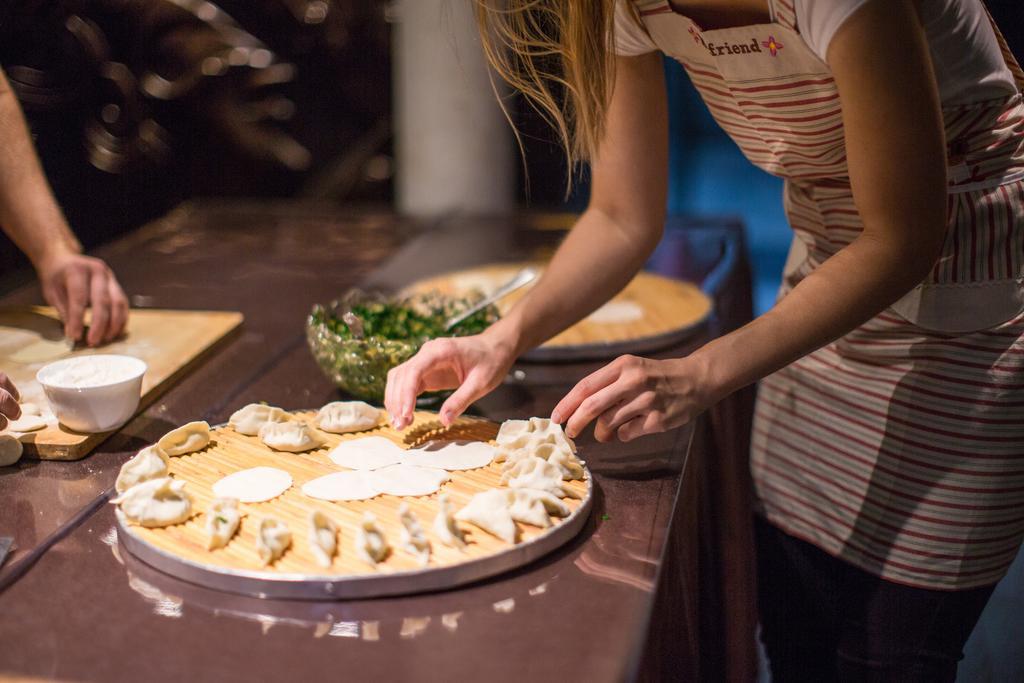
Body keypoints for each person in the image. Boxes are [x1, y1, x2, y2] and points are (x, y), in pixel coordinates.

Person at [384, 0, 1024, 680]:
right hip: (826, 293)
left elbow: (902, 236)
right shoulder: (622, 6)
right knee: (795, 618)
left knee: (889, 651)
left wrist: (702, 371)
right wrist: (502, 337)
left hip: (977, 312)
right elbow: (622, 215)